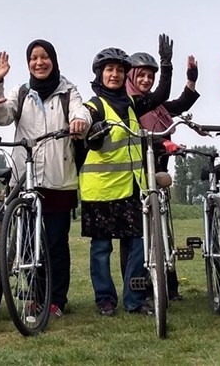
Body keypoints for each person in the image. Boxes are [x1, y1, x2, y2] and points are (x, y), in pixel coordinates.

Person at [0, 40, 92, 317]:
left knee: (55, 244)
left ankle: (56, 299)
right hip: (26, 178)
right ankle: (35, 295)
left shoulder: (69, 91)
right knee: (29, 243)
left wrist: (80, 122)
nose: (39, 62)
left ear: (54, 60)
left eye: (44, 57)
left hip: (58, 180)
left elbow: (81, 113)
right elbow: (0, 116)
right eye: (33, 58)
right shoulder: (20, 92)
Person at [81, 38, 172, 317]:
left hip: (133, 187)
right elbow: (84, 134)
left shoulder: (133, 103)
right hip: (101, 189)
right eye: (109, 69)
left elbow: (160, 96)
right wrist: (92, 133)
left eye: (120, 70)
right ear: (100, 74)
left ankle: (134, 299)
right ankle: (105, 299)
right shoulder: (92, 106)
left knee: (137, 245)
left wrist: (166, 64)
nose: (115, 74)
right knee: (101, 249)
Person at [125, 50, 199, 301]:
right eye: (142, 75)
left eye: (150, 76)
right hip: (136, 173)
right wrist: (161, 142)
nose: (146, 80)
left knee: (163, 229)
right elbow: (134, 134)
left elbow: (179, 105)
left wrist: (191, 79)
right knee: (141, 233)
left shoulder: (156, 106)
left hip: (159, 171)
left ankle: (170, 285)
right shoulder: (128, 103)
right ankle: (141, 288)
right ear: (131, 75)